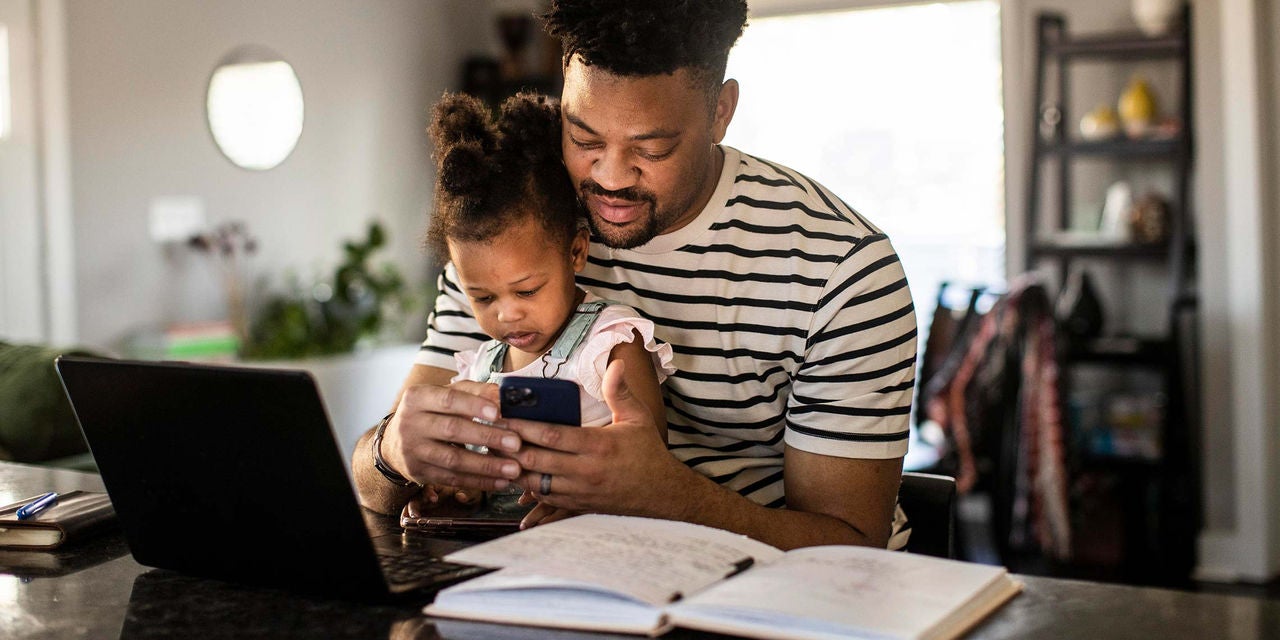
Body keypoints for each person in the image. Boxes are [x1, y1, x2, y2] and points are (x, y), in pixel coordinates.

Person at [355, 0, 917, 551]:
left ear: (721, 111)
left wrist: (667, 496)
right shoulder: (516, 229)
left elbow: (852, 547)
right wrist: (393, 453)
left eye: (652, 147)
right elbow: (370, 481)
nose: (611, 177)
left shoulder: (840, 270)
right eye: (583, 138)